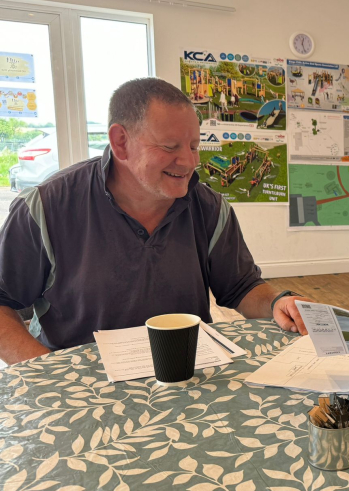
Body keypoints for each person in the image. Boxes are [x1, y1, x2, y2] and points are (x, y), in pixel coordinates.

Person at [0, 78, 311, 365]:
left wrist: (276, 302)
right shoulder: (45, 207)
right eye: (169, 147)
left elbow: (241, 286)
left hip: (183, 372)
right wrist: (50, 373)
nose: (189, 162)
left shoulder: (210, 208)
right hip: (80, 384)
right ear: (120, 142)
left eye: (193, 146)